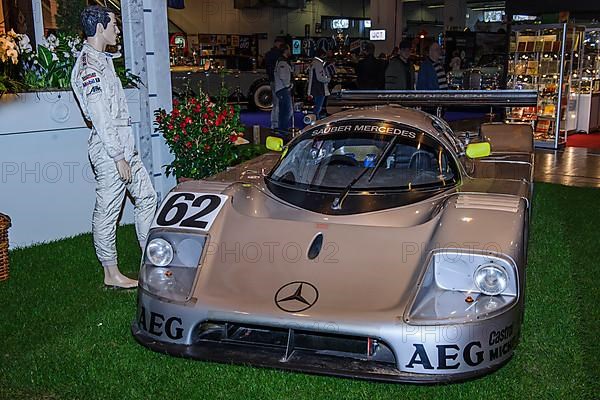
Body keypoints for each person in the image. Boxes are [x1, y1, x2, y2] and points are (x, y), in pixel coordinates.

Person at [71, 5, 157, 289]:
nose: (118, 30)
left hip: (123, 147)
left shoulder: (101, 59)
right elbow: (100, 116)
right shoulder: (89, 68)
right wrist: (118, 156)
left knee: (147, 197)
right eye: (114, 25)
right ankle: (111, 273)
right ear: (99, 28)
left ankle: (149, 258)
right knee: (108, 211)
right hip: (110, 151)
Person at [264, 37, 284, 130]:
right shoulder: (278, 55)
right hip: (278, 81)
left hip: (272, 79)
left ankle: (274, 123)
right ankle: (276, 123)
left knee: (275, 103)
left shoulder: (268, 54)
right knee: (278, 103)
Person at [274, 44, 294, 134]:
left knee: (282, 111)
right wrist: (288, 85)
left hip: (281, 89)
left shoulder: (281, 61)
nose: (290, 51)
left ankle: (282, 130)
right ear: (285, 50)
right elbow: (283, 76)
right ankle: (284, 130)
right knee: (287, 111)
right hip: (283, 89)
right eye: (289, 49)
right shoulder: (282, 62)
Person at [307, 48, 331, 119]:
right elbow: (320, 78)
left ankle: (314, 120)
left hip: (314, 88)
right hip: (319, 89)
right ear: (322, 55)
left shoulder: (313, 63)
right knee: (318, 108)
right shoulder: (318, 63)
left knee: (317, 108)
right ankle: (316, 122)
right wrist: (328, 79)